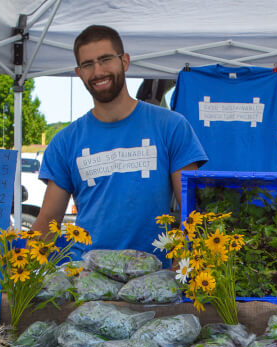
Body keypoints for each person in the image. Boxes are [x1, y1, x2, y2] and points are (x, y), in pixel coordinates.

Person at [32, 25, 207, 262]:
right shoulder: (65, 141)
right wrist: (20, 268)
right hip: (87, 280)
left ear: (124, 61)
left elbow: (192, 211)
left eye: (105, 59)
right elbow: (47, 222)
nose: (98, 71)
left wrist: (181, 265)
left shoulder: (170, 126)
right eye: (88, 64)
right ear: (79, 72)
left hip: (153, 279)